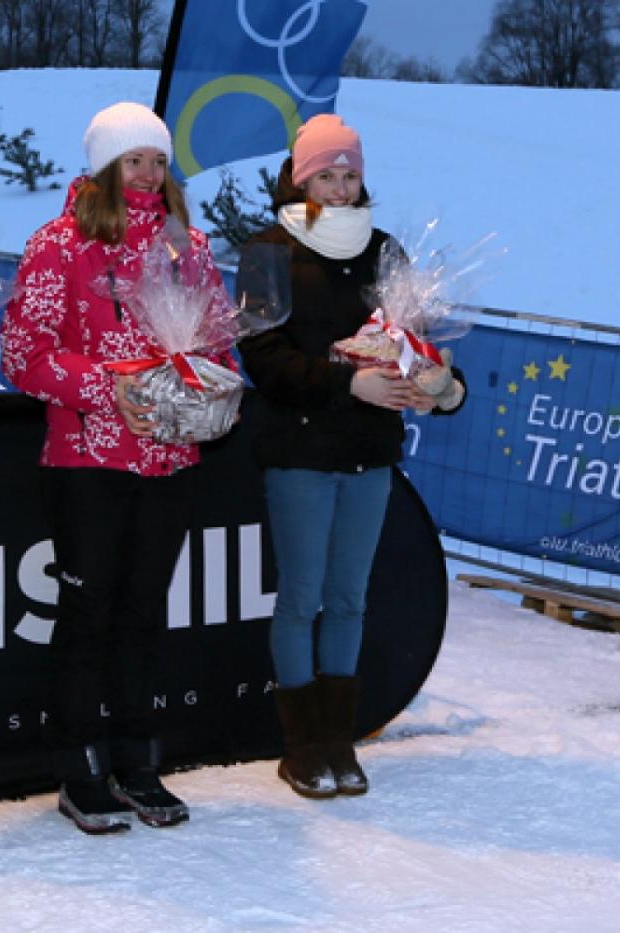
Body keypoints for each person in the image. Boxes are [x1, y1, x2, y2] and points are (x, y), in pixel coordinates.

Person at [1, 102, 231, 834]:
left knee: (143, 613)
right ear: (103, 167)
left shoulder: (187, 247)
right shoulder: (60, 244)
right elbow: (23, 355)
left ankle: (137, 760)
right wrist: (111, 388)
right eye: (134, 160)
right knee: (88, 615)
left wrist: (207, 385)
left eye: (158, 161)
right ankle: (77, 765)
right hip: (87, 460)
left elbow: (221, 344)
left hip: (170, 459)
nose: (148, 174)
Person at [237, 114, 465, 800]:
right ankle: (302, 743)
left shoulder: (386, 251)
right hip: (301, 450)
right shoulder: (268, 250)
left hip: (370, 452)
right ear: (299, 179)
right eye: (325, 175)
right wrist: (348, 380)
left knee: (349, 599)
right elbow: (264, 360)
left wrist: (437, 385)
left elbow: (410, 344)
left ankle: (339, 739)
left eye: (350, 175)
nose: (339, 189)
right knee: (302, 596)